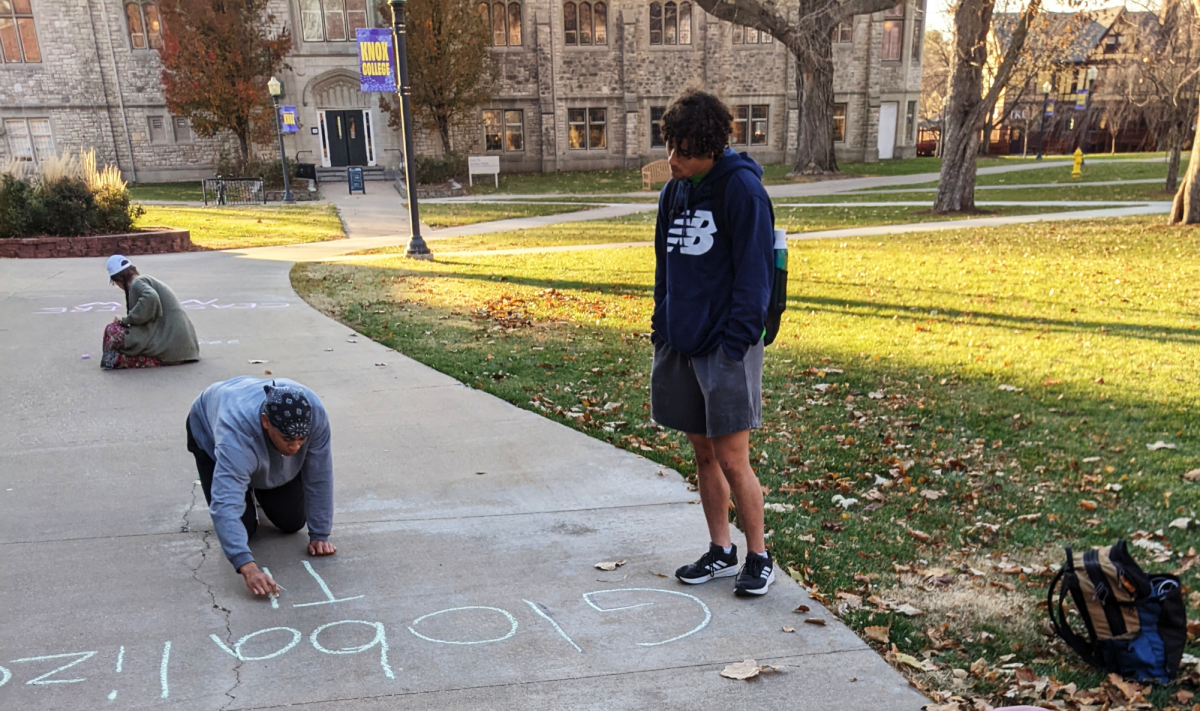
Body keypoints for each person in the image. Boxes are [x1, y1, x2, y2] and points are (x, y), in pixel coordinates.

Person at [651, 90, 777, 596]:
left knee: (732, 458)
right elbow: (665, 268)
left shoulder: (742, 192)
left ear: (709, 147)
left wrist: (734, 345)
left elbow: (756, 279)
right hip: (681, 342)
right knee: (702, 455)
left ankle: (759, 556)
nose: (672, 159)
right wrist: (663, 325)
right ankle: (721, 548)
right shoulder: (674, 192)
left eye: (683, 151)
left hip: (727, 347)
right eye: (670, 147)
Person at [186, 377, 337, 597]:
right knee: (243, 529)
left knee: (292, 521)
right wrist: (246, 566)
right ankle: (246, 482)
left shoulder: (315, 414)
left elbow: (319, 474)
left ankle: (255, 481)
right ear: (266, 421)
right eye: (288, 439)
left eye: (301, 439)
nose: (295, 447)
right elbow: (225, 504)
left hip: (256, 432)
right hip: (209, 425)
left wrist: (320, 534)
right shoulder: (235, 437)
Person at [102, 255, 200, 370]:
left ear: (119, 280)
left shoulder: (136, 283)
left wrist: (126, 320)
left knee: (111, 329)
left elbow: (151, 297)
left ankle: (111, 361)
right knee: (122, 338)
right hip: (185, 349)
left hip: (170, 348)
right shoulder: (145, 280)